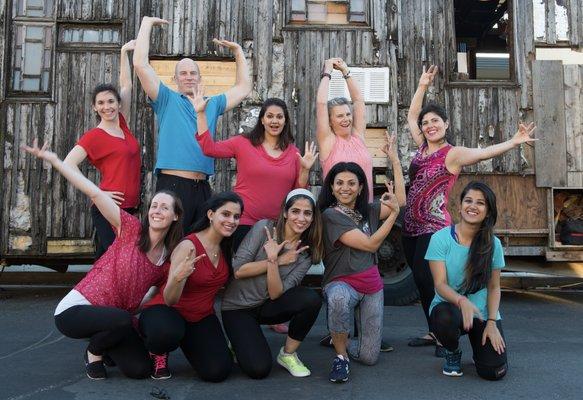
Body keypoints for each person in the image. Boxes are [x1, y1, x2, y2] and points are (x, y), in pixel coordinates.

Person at [22, 139, 183, 380]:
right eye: (154, 205)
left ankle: (107, 342)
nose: (157, 211)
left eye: (164, 208)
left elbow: (148, 299)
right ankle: (94, 351)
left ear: (175, 216)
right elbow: (94, 192)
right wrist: (56, 161)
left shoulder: (165, 262)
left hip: (115, 319)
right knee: (122, 319)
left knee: (139, 370)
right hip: (76, 311)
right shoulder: (131, 229)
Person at [403, 65, 535, 354]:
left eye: (435, 121)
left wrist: (513, 142)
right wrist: (422, 84)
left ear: (446, 124)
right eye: (426, 123)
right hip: (410, 225)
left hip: (433, 226)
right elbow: (411, 115)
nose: (429, 125)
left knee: (432, 280)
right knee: (421, 282)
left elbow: (483, 153)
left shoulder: (452, 154)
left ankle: (443, 332)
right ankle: (433, 329)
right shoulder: (421, 147)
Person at [133, 16, 252, 232]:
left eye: (193, 73)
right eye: (183, 73)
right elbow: (140, 65)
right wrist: (146, 24)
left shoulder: (212, 104)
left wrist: (238, 52)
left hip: (203, 187)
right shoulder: (165, 98)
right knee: (168, 244)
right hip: (173, 184)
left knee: (199, 245)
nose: (188, 77)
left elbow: (243, 88)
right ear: (175, 79)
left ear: (199, 78)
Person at [192, 87, 318, 252]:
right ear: (262, 120)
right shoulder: (242, 143)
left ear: (285, 121)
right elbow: (209, 148)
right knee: (241, 272)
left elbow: (298, 193)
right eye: (270, 116)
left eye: (279, 117)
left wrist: (305, 170)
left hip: (276, 227)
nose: (275, 121)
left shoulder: (294, 152)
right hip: (244, 223)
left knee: (268, 273)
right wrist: (201, 113)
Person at [139, 192, 243, 381]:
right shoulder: (189, 246)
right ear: (211, 215)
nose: (232, 220)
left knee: (217, 372)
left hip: (201, 316)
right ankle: (157, 350)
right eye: (225, 214)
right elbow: (170, 299)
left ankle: (190, 340)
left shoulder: (226, 246)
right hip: (167, 311)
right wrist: (178, 277)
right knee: (166, 332)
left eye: (236, 216)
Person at [221, 189, 323, 379]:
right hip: (237, 307)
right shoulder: (264, 228)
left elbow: (276, 293)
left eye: (307, 213)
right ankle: (237, 340)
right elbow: (238, 270)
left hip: (268, 304)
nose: (301, 218)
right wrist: (277, 259)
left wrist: (275, 261)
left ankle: (288, 354)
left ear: (313, 217)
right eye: (295, 211)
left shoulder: (305, 253)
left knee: (311, 299)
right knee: (258, 369)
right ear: (285, 212)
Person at [318, 162, 401, 383]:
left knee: (369, 357)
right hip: (342, 282)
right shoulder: (330, 215)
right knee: (338, 298)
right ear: (332, 188)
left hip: (372, 287)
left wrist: (395, 159)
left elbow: (400, 201)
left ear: (361, 187)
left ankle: (340, 336)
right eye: (340, 183)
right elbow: (370, 245)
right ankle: (341, 355)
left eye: (352, 183)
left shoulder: (370, 211)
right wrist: (394, 216)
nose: (345, 188)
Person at [64, 40, 141, 260]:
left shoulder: (123, 125)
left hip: (129, 207)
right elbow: (68, 164)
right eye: (101, 103)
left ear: (118, 103)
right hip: (107, 207)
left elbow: (127, 85)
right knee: (113, 257)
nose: (106, 106)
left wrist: (124, 52)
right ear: (94, 107)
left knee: (113, 257)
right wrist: (97, 193)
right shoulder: (94, 136)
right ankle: (96, 294)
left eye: (110, 101)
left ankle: (95, 294)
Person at [426, 181, 508, 380]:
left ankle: (480, 347)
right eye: (468, 200)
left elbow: (495, 287)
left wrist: (491, 322)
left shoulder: (493, 244)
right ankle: (452, 352)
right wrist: (462, 302)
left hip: (481, 313)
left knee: (493, 372)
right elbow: (440, 284)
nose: (473, 206)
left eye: (480, 203)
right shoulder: (440, 238)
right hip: (451, 307)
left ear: (488, 211)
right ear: (460, 205)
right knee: (444, 317)